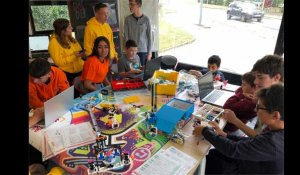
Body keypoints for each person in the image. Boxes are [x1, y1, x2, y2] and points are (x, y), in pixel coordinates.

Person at [193, 84, 284, 174]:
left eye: (258, 107)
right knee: (214, 153)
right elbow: (254, 141)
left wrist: (204, 131)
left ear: (275, 115)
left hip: (248, 169)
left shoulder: (273, 143)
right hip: (252, 163)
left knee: (211, 160)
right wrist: (225, 135)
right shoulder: (275, 129)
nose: (255, 111)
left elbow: (232, 149)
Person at [223, 54, 284, 137]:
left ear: (276, 77)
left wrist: (235, 120)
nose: (255, 82)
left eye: (260, 77)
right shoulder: (267, 94)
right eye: (255, 77)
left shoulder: (277, 105)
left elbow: (259, 139)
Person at [48, 18, 85, 86]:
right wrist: (74, 56)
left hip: (81, 69)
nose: (72, 28)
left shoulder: (69, 37)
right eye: (69, 27)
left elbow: (78, 50)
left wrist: (82, 54)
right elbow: (59, 62)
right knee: (74, 94)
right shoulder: (54, 43)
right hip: (69, 74)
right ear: (62, 30)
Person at [124, 0, 152, 67]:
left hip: (142, 51)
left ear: (139, 5)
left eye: (132, 4)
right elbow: (126, 36)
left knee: (141, 72)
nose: (130, 6)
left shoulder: (146, 19)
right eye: (129, 4)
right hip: (131, 51)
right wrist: (127, 50)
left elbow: (149, 37)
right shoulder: (127, 19)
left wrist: (149, 52)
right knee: (132, 72)